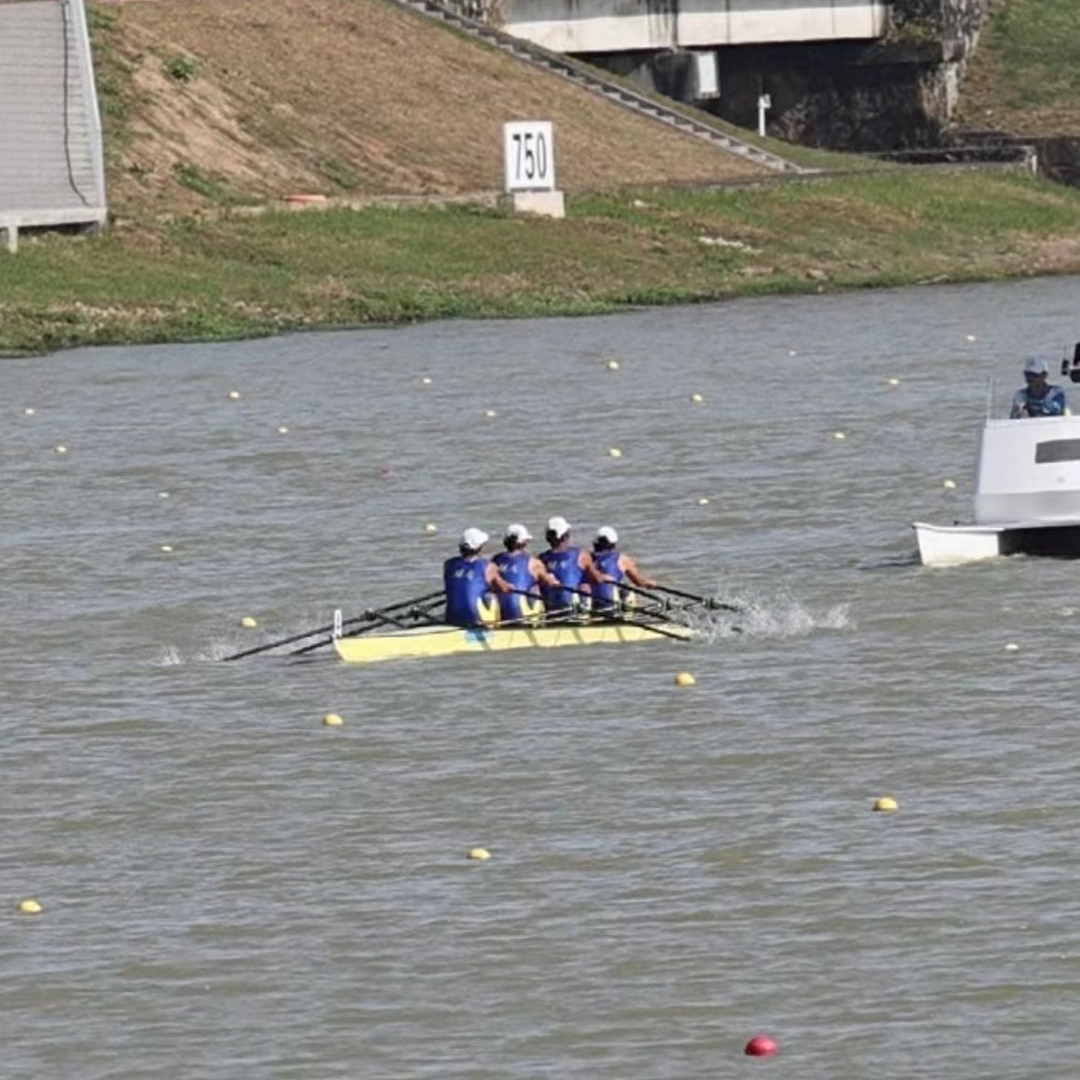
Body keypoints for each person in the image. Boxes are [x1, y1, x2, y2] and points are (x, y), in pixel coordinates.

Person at [491, 523, 561, 623]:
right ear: (523, 543)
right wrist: (553, 580)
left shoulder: (494, 561)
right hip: (521, 614)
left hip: (500, 614)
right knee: (535, 589)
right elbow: (550, 583)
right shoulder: (533, 562)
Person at [443, 528, 512, 628]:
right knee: (491, 596)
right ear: (479, 547)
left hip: (452, 619)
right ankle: (497, 628)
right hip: (476, 621)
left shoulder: (448, 564)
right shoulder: (489, 566)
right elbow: (504, 589)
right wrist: (510, 586)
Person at [538, 516, 602, 615]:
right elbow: (597, 579)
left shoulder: (540, 560)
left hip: (551, 609)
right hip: (574, 609)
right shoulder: (581, 555)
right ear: (566, 536)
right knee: (585, 585)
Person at [590, 526, 658, 612]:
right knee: (628, 588)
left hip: (592, 605)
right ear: (613, 544)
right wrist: (651, 584)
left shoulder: (585, 559)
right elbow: (639, 582)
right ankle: (628, 616)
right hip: (610, 606)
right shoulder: (622, 559)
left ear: (595, 543)